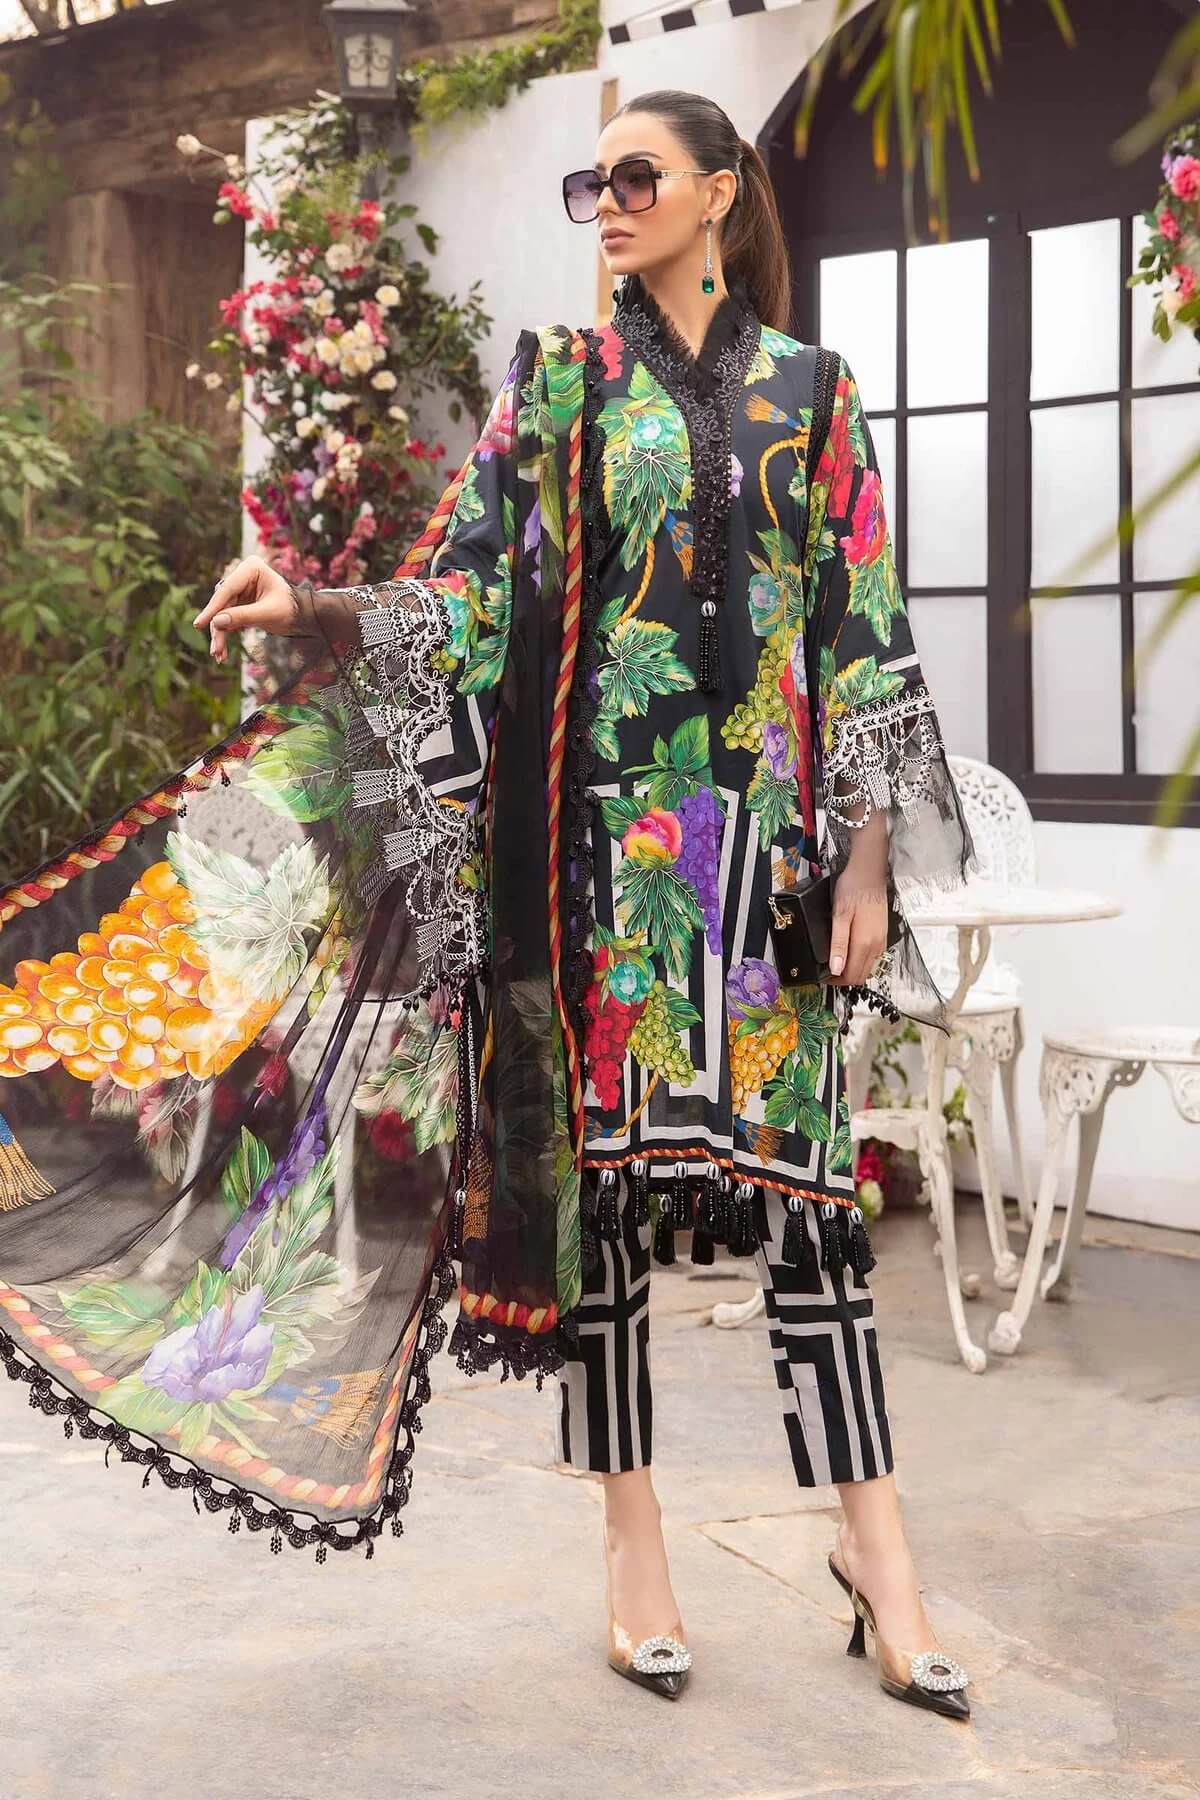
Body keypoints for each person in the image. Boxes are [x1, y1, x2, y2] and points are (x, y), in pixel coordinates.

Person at [0, 90, 973, 1713]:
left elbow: (860, 626)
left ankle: (881, 1559)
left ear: (720, 196)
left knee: (811, 1216)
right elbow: (466, 600)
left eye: (637, 176)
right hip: (599, 877)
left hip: (770, 881)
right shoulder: (562, 382)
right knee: (608, 1226)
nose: (608, 200)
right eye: (593, 180)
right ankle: (634, 1548)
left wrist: (868, 851)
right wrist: (313, 600)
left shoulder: (816, 393)